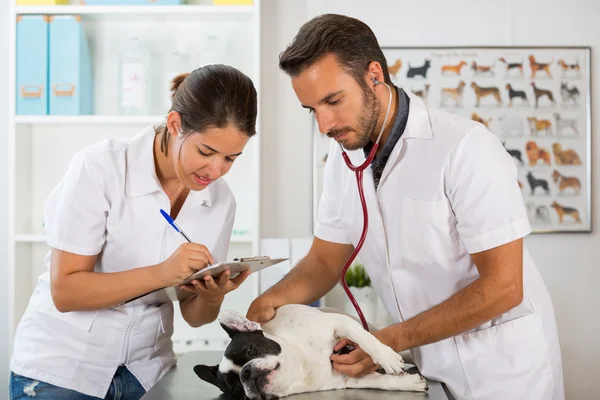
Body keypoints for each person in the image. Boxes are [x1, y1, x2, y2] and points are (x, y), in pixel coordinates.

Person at [246, 14, 564, 400]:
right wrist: (272, 300)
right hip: (430, 368)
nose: (324, 125)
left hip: (504, 371)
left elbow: (505, 286)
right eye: (312, 109)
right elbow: (325, 261)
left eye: (333, 100)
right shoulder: (343, 161)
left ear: (373, 75)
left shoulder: (466, 147)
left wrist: (384, 341)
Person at [9, 64, 257, 400]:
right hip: (64, 371)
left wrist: (212, 295)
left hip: (146, 373)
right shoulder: (100, 168)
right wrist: (163, 273)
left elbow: (195, 314)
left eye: (231, 157)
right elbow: (65, 291)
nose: (215, 170)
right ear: (175, 125)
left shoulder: (220, 200)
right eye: (206, 152)